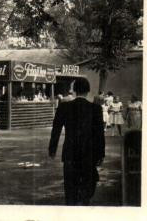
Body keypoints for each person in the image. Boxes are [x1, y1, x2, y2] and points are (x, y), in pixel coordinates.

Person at [49, 77, 105, 206]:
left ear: (74, 90)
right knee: (87, 187)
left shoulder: (64, 107)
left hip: (70, 152)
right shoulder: (95, 109)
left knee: (70, 187)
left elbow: (56, 129)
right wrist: (101, 154)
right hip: (89, 153)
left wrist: (52, 149)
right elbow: (99, 134)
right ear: (88, 90)